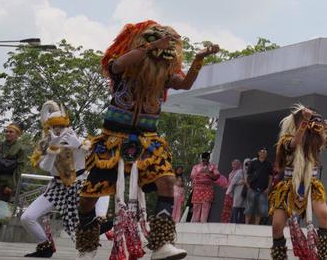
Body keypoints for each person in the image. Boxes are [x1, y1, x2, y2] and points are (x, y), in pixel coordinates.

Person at [76, 21, 220, 260]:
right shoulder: (125, 66)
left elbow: (184, 84)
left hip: (148, 141)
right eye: (160, 43)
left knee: (167, 181)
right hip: (113, 140)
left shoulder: (164, 74)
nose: (164, 49)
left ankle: (161, 243)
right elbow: (117, 64)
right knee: (88, 199)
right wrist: (151, 45)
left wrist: (198, 59)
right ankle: (87, 245)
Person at [21, 101, 111, 258]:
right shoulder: (45, 143)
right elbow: (45, 167)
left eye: (61, 126)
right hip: (57, 187)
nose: (58, 130)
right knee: (27, 217)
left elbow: (99, 158)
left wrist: (78, 146)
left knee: (102, 187)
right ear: (48, 127)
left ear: (68, 126)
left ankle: (100, 219)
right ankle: (45, 246)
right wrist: (52, 149)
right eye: (54, 126)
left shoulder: (79, 140)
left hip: (80, 184)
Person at [268, 104, 327, 260]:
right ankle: (279, 257)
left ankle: (323, 256)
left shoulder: (316, 141)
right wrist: (304, 122)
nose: (309, 123)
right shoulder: (285, 140)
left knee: (323, 214)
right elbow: (294, 143)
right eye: (305, 120)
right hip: (288, 188)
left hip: (311, 185)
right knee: (277, 226)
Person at [190, 152, 221, 222]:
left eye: (206, 160)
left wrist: (208, 173)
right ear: (202, 159)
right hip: (198, 188)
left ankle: (203, 222)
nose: (205, 162)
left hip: (208, 188)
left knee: (206, 205)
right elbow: (192, 176)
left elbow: (217, 176)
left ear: (209, 159)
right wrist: (200, 172)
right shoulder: (196, 167)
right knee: (196, 206)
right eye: (203, 160)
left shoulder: (212, 167)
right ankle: (194, 222)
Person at [245, 147, 272, 225]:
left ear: (266, 154)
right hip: (252, 188)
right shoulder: (253, 163)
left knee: (260, 209)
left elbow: (270, 177)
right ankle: (246, 224)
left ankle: (257, 225)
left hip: (263, 189)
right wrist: (248, 186)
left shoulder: (269, 164)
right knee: (249, 208)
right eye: (262, 151)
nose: (263, 153)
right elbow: (247, 175)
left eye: (265, 152)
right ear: (258, 153)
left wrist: (268, 188)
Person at [225, 159, 245, 223]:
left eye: (235, 164)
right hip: (231, 192)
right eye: (233, 164)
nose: (234, 166)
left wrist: (238, 183)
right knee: (229, 208)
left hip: (238, 192)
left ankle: (235, 221)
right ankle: (229, 221)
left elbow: (241, 181)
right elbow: (232, 182)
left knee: (237, 206)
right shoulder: (231, 173)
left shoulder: (241, 171)